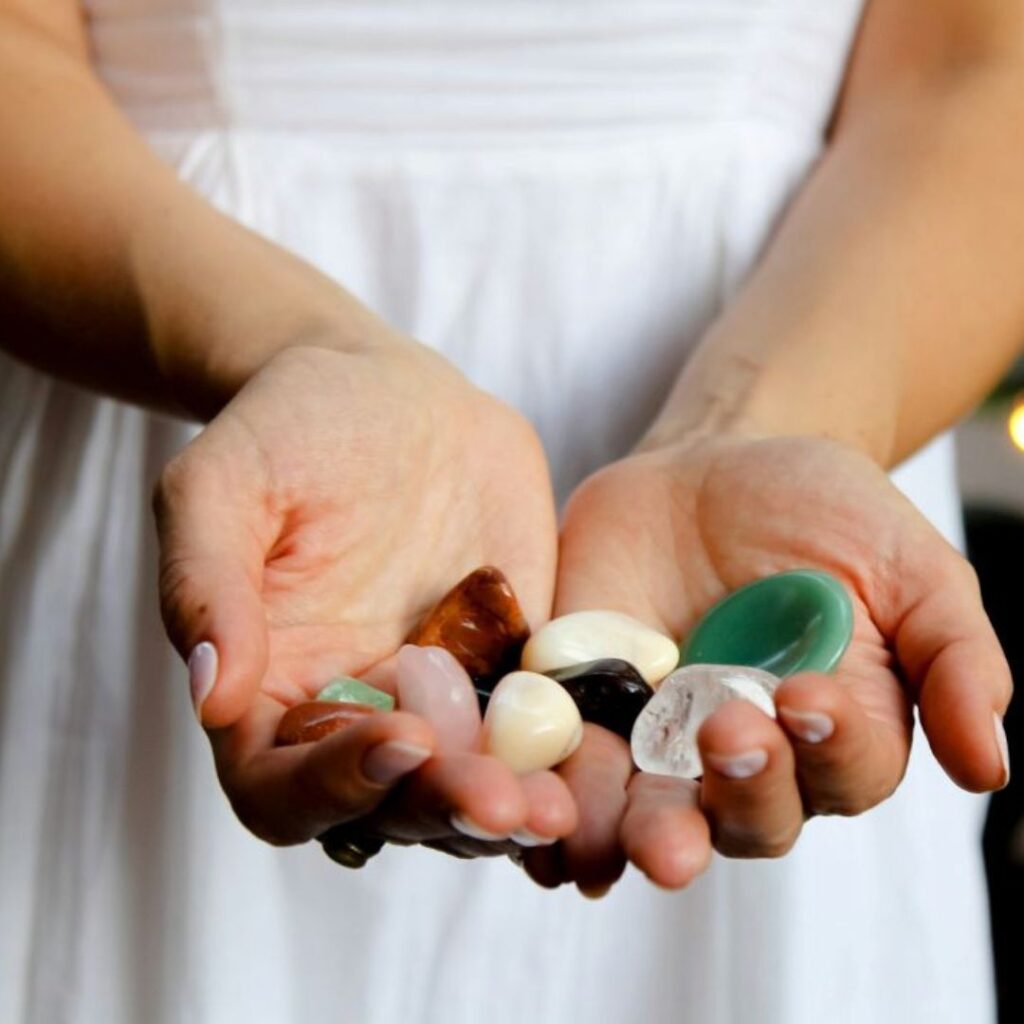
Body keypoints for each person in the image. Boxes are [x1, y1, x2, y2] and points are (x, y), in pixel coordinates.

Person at [0, 0, 1019, 1021]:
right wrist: (291, 349)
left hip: (810, 335)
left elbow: (972, 77)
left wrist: (776, 419)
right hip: (212, 398)